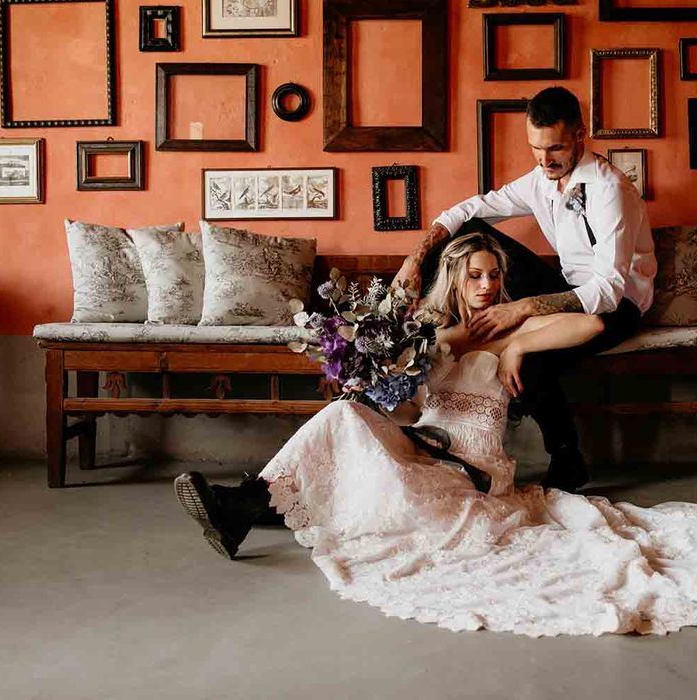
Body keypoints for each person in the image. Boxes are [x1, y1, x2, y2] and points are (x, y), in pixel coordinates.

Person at [175, 232, 697, 636]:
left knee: (397, 495)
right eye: (475, 276)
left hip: (473, 469)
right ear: (455, 277)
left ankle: (238, 509)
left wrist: (516, 348)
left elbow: (591, 327)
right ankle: (238, 506)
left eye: (493, 276)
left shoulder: (512, 328)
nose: (487, 286)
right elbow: (401, 405)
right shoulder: (427, 330)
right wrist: (421, 355)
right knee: (343, 414)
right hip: (420, 444)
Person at [394, 86, 657, 495]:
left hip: (618, 305)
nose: (544, 160)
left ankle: (567, 458)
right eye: (535, 149)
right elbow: (465, 211)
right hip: (568, 286)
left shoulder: (610, 190)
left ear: (580, 135)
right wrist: (414, 259)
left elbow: (607, 290)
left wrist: (522, 311)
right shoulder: (540, 179)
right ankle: (420, 336)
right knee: (466, 231)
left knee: (531, 355)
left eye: (554, 149)